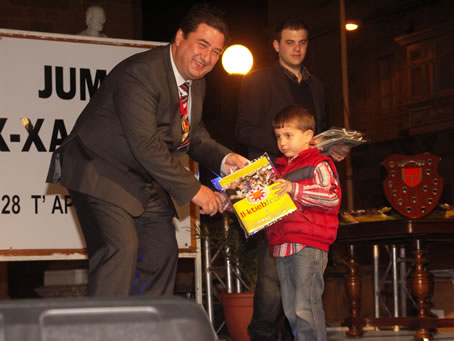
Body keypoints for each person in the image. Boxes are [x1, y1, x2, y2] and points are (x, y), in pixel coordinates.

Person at [47, 3, 248, 297]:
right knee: (120, 248)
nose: (207, 58)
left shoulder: (197, 84)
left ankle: (144, 327)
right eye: (202, 45)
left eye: (216, 52)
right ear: (180, 37)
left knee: (161, 253)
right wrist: (196, 190)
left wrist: (226, 158)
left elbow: (193, 136)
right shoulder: (141, 73)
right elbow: (145, 143)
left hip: (142, 178)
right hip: (100, 170)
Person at [235, 18, 348, 340]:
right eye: (289, 42)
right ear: (276, 45)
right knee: (273, 282)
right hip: (272, 179)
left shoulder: (317, 85)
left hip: (304, 181)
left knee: (300, 294)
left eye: (302, 42)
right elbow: (242, 129)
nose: (296, 48)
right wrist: (286, 145)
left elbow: (318, 132)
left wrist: (329, 146)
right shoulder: (256, 81)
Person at [268, 104, 341, 341]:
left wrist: (294, 188)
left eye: (289, 135)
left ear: (308, 135)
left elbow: (331, 197)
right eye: (278, 136)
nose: (282, 142)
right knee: (291, 311)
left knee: (305, 307)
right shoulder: (280, 170)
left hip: (308, 244)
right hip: (283, 243)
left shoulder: (319, 163)